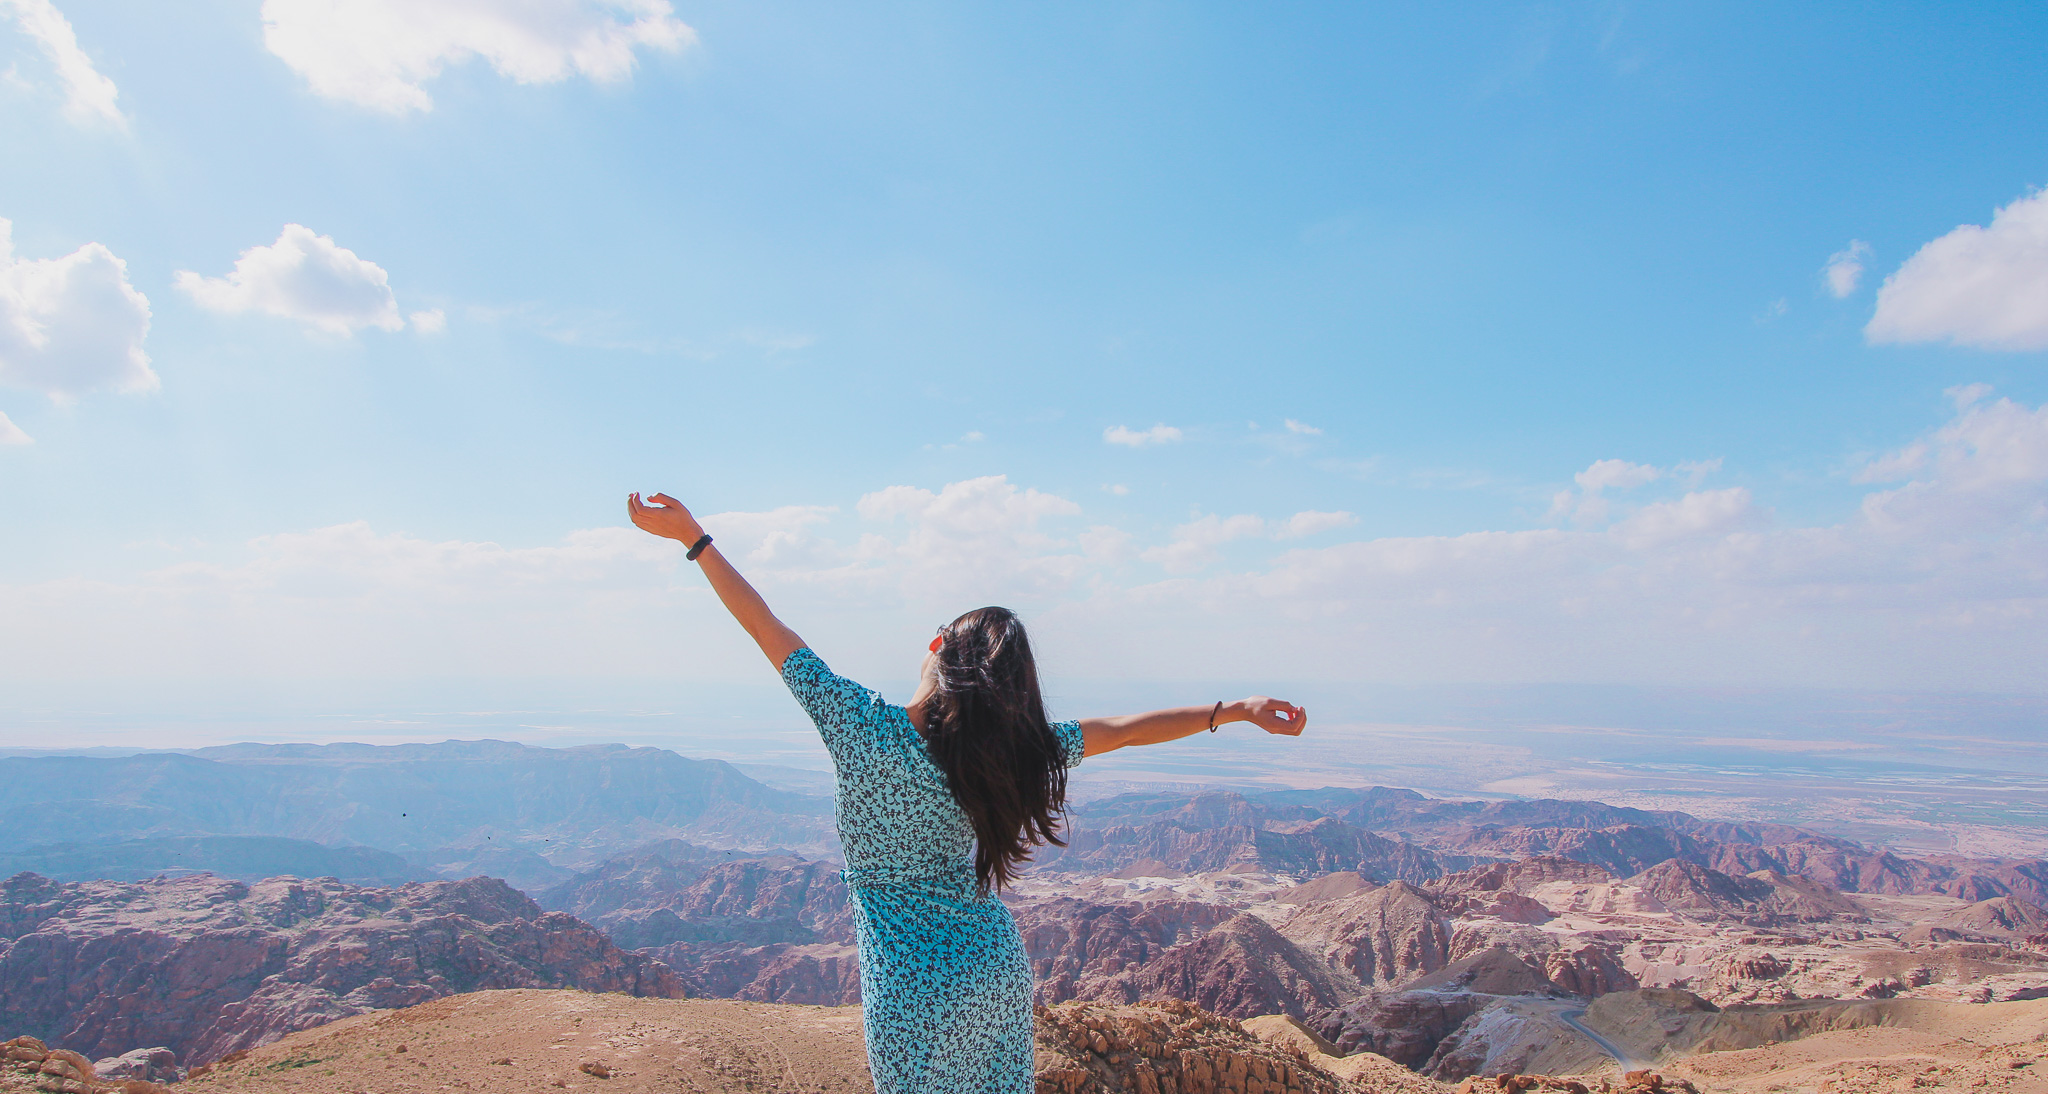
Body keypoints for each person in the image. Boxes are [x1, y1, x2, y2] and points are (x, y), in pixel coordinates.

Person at [628, 491, 1308, 1094]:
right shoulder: (1010, 752)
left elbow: (767, 629)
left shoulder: (860, 727)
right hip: (993, 966)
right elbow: (1124, 731)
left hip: (911, 984)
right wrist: (1231, 710)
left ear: (937, 648)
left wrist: (697, 541)